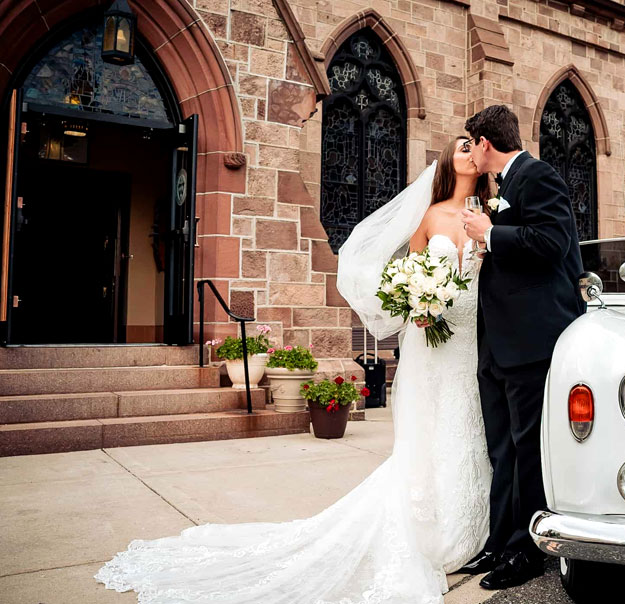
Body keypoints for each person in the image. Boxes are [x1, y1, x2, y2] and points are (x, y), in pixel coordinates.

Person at [95, 137, 494, 604]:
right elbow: (406, 279)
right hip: (433, 342)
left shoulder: (492, 210)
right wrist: (418, 306)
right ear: (446, 161)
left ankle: (472, 525)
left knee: (468, 429)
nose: (469, 150)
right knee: (432, 431)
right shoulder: (427, 217)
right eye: (461, 146)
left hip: (473, 341)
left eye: (473, 145)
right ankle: (432, 531)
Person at [459, 105, 586, 590]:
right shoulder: (505, 187)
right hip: (499, 341)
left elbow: (553, 243)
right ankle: (499, 542)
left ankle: (529, 551)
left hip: (533, 338)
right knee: (503, 448)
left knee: (528, 447)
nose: (469, 152)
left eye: (472, 144)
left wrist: (490, 233)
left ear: (486, 143)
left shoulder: (538, 176)